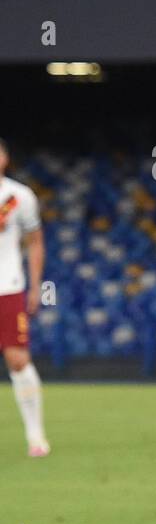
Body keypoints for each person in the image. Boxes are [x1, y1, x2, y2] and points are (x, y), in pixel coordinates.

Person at [0, 139, 48, 456]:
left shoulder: (18, 196)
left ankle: (35, 435)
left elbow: (35, 242)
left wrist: (35, 287)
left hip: (8, 286)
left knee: (18, 360)